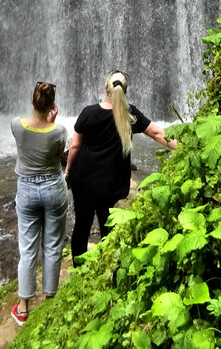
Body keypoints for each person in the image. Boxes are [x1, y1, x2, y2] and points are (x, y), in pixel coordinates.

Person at [64, 70, 177, 260]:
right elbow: (157, 133)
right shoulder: (129, 113)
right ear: (124, 91)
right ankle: (109, 269)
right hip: (111, 183)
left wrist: (68, 170)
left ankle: (80, 271)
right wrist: (183, 146)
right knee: (108, 227)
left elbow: (75, 146)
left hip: (84, 181)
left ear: (105, 87)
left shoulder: (88, 113)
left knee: (82, 226)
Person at [10, 81, 68, 326]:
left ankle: (23, 308)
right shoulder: (59, 131)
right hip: (53, 188)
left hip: (27, 189)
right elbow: (56, 155)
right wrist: (51, 122)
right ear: (52, 106)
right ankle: (50, 302)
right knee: (53, 245)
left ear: (33, 102)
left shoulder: (16, 126)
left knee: (28, 248)